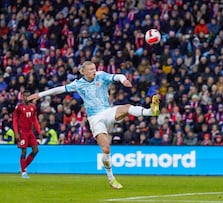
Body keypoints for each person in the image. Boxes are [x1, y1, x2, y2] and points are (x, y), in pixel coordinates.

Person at [28, 61, 160, 189]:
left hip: (107, 111)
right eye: (91, 69)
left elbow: (117, 75)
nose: (94, 71)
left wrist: (123, 80)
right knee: (106, 149)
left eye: (94, 68)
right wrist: (39, 95)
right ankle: (111, 178)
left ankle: (151, 111)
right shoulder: (78, 84)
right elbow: (59, 90)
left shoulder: (101, 76)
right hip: (95, 119)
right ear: (83, 71)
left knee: (126, 107)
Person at [13, 90, 43, 179]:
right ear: (22, 97)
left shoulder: (33, 107)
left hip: (30, 132)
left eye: (28, 96)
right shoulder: (19, 107)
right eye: (25, 96)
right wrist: (16, 133)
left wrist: (39, 132)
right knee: (24, 151)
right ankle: (24, 172)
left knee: (36, 150)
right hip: (22, 132)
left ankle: (23, 167)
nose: (27, 97)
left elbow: (35, 120)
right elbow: (15, 120)